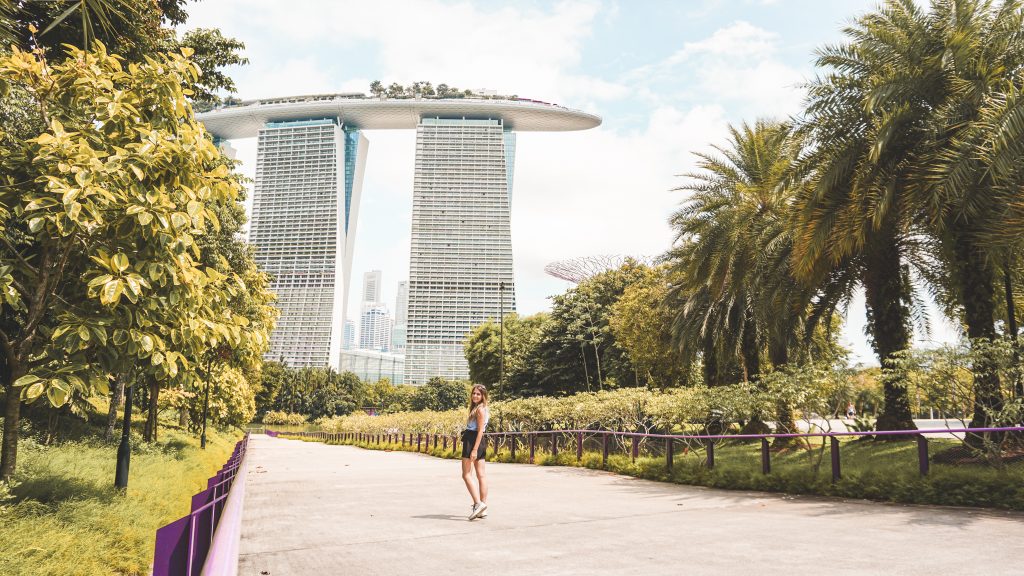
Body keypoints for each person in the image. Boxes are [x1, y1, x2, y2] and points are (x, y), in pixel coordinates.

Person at [462, 384, 489, 520]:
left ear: (483, 396)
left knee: (466, 474)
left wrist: (473, 449)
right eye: (474, 393)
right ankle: (483, 508)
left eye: (478, 394)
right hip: (479, 441)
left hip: (473, 440)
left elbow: (480, 431)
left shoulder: (479, 410)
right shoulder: (480, 408)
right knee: (481, 475)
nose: (475, 396)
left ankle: (478, 503)